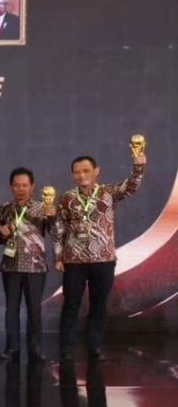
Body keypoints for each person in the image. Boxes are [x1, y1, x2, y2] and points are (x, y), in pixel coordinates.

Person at [54, 148, 146, 361]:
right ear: (73, 175)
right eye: (77, 172)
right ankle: (66, 348)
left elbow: (131, 186)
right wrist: (58, 256)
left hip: (103, 259)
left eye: (86, 171)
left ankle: (94, 346)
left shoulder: (108, 192)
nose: (82, 175)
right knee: (71, 304)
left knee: (98, 304)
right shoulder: (67, 198)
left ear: (96, 171)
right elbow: (59, 228)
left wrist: (138, 165)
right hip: (74, 260)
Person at [0, 168, 52, 364]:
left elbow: (55, 231)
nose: (20, 189)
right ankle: (11, 348)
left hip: (35, 267)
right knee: (11, 309)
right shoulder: (4, 209)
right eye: (16, 185)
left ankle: (35, 348)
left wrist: (53, 216)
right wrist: (0, 233)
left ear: (32, 186)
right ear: (11, 187)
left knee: (34, 309)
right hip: (11, 265)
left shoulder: (42, 208)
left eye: (24, 185)